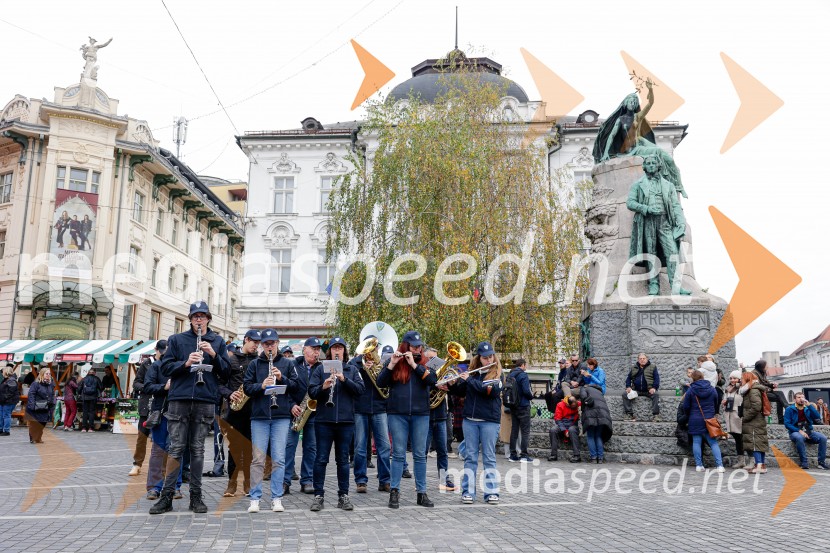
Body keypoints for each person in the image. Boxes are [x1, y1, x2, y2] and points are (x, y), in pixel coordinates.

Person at [149, 300, 231, 515]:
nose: (198, 319)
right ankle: (166, 497)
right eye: (195, 316)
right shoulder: (177, 340)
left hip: (204, 401)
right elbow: (165, 367)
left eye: (202, 316)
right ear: (190, 319)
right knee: (176, 448)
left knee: (197, 449)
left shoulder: (218, 341)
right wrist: (185, 363)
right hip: (179, 399)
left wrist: (213, 354)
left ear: (208, 319)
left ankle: (196, 497)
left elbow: (226, 372)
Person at [593, 79, 686, 198]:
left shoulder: (638, 117)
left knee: (667, 157)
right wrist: (606, 153)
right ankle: (664, 182)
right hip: (632, 150)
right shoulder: (620, 120)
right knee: (657, 152)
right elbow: (611, 136)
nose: (632, 103)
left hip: (640, 143)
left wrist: (650, 89)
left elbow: (650, 104)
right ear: (625, 103)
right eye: (630, 101)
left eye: (634, 101)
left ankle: (678, 185)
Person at [376, 330, 438, 509]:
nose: (418, 349)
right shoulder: (394, 361)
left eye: (419, 346)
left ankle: (422, 493)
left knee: (420, 455)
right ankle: (394, 492)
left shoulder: (425, 364)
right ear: (405, 346)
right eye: (414, 346)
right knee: (398, 454)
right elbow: (380, 382)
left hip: (421, 415)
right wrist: (392, 364)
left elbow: (432, 381)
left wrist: (414, 365)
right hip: (397, 414)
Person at [244, 329, 298, 513]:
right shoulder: (254, 364)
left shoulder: (287, 364)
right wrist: (262, 385)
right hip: (259, 417)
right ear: (262, 345)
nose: (269, 346)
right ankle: (255, 498)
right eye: (266, 344)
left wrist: (282, 378)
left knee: (279, 459)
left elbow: (296, 387)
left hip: (281, 416)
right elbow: (247, 387)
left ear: (277, 343)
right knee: (258, 459)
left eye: (272, 343)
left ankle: (277, 498)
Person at [307, 337, 365, 512]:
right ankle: (319, 495)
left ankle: (343, 495)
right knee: (321, 459)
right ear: (330, 352)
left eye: (340, 348)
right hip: (324, 421)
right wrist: (324, 387)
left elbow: (360, 390)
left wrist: (344, 379)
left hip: (346, 422)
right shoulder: (319, 369)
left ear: (344, 351)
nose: (337, 351)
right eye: (334, 348)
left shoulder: (352, 369)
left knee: (343, 460)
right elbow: (312, 392)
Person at [626, 155, 690, 296]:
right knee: (651, 253)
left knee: (672, 252)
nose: (650, 165)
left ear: (658, 166)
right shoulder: (638, 184)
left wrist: (681, 223)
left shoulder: (668, 185)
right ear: (644, 167)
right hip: (648, 221)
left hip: (665, 222)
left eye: (653, 163)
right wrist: (646, 208)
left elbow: (675, 205)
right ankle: (653, 285)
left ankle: (676, 286)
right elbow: (630, 203)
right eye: (647, 163)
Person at [448, 341, 502, 505]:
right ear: (479, 358)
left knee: (489, 458)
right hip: (470, 421)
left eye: (490, 356)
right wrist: (452, 385)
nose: (488, 359)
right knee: (470, 457)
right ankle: (468, 492)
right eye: (485, 357)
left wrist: (470, 381)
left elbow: (490, 392)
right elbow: (461, 392)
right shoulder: (472, 373)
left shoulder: (497, 375)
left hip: (489, 421)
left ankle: (491, 492)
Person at [219, 329, 260, 498]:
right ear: (246, 340)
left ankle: (247, 483)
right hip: (235, 411)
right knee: (234, 449)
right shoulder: (231, 359)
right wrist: (229, 393)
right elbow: (219, 384)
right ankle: (232, 483)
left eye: (258, 343)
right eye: (254, 342)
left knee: (250, 450)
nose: (256, 346)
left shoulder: (259, 361)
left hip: (253, 410)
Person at [143, 341, 184, 501]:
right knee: (158, 451)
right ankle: (154, 487)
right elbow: (147, 386)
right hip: (161, 413)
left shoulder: (180, 366)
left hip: (178, 412)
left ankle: (175, 486)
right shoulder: (156, 366)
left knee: (176, 450)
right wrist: (164, 387)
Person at [284, 337, 322, 495]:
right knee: (289, 447)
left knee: (311, 448)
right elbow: (285, 388)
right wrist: (291, 405)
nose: (316, 352)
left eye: (318, 349)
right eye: (313, 348)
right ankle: (285, 481)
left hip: (314, 412)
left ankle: (307, 481)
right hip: (296, 411)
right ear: (304, 349)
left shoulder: (322, 367)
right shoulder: (292, 364)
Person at [352, 346, 392, 494]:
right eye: (369, 349)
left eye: (374, 348)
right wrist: (361, 367)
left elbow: (387, 383)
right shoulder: (355, 363)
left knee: (384, 446)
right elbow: (350, 373)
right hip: (360, 408)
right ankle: (361, 481)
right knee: (360, 447)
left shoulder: (382, 364)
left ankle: (385, 480)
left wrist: (380, 369)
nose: (371, 352)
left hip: (379, 407)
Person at [681, 371, 725, 472]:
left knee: (696, 442)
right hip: (709, 419)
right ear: (703, 377)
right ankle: (720, 466)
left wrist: (689, 414)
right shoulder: (712, 389)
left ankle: (699, 465)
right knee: (713, 443)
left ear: (693, 379)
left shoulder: (691, 390)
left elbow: (686, 406)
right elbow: (715, 403)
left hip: (695, 419)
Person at [784, 392, 829, 470]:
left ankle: (821, 463)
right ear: (795, 399)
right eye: (799, 397)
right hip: (795, 432)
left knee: (823, 438)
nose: (801, 399)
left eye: (802, 397)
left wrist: (809, 406)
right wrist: (799, 431)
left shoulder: (807, 408)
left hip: (808, 432)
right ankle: (804, 462)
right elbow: (787, 424)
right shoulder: (789, 409)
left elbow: (817, 417)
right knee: (799, 437)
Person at [129, 353, 155, 476]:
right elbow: (136, 383)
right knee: (142, 437)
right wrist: (147, 387)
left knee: (162, 439)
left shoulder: (169, 362)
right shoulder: (147, 363)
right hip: (146, 405)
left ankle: (161, 467)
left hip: (162, 406)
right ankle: (137, 464)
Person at [741, 372, 769, 474]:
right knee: (759, 443)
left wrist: (745, 418)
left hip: (754, 421)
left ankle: (758, 466)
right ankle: (761, 465)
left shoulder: (752, 390)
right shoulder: (754, 389)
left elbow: (756, 406)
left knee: (755, 444)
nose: (741, 380)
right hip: (757, 421)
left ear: (747, 379)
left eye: (742, 378)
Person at [507, 358, 533, 463]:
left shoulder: (510, 375)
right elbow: (526, 391)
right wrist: (531, 397)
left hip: (513, 406)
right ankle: (524, 455)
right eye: (525, 365)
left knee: (514, 430)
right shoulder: (523, 375)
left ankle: (512, 455)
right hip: (523, 405)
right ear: (522, 365)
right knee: (525, 431)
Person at [580, 379, 612, 463]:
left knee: (590, 436)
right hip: (603, 415)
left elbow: (583, 398)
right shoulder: (599, 392)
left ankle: (594, 458)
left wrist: (583, 409)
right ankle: (600, 458)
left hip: (591, 414)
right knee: (598, 436)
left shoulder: (584, 388)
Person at [622, 353, 661, 422]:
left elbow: (656, 379)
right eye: (640, 358)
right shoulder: (634, 367)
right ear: (638, 360)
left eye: (644, 358)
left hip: (648, 390)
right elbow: (628, 378)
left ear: (647, 359)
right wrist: (628, 387)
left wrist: (654, 388)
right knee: (625, 394)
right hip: (636, 390)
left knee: (656, 395)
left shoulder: (653, 367)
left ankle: (656, 415)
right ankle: (629, 414)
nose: (642, 360)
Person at [722, 370, 746, 469]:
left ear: (739, 379)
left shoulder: (742, 389)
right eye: (731, 378)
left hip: (738, 416)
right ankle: (741, 461)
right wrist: (723, 402)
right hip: (729, 415)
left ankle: (749, 461)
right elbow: (725, 400)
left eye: (735, 378)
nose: (732, 380)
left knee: (742, 439)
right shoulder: (728, 389)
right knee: (737, 439)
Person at [752, 359, 788, 424]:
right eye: (766, 366)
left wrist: (772, 385)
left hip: (766, 391)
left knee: (780, 393)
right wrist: (770, 389)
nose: (767, 368)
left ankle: (785, 411)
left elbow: (765, 383)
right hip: (760, 393)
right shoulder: (754, 374)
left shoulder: (762, 372)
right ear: (762, 367)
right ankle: (786, 412)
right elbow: (758, 385)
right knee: (779, 398)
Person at [26, 369, 55, 443]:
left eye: (49, 374)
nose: (48, 375)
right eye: (46, 373)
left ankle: (38, 437)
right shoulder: (36, 384)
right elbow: (31, 394)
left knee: (42, 423)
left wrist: (52, 403)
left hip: (45, 407)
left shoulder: (51, 384)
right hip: (36, 407)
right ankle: (33, 438)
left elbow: (52, 394)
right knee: (34, 423)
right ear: (42, 374)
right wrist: (32, 405)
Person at [549, 395, 581, 462]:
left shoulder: (577, 404)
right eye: (573, 406)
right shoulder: (560, 405)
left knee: (572, 429)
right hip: (562, 425)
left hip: (573, 425)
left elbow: (583, 404)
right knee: (553, 430)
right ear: (568, 404)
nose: (575, 407)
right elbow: (558, 419)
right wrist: (565, 431)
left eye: (576, 405)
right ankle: (553, 455)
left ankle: (577, 455)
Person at [79, 368, 102, 432]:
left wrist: (79, 394)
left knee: (85, 412)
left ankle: (83, 428)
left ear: (88, 372)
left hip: (85, 397)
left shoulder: (84, 379)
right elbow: (101, 387)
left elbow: (79, 388)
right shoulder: (96, 378)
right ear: (94, 373)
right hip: (93, 397)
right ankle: (90, 428)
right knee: (92, 412)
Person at [0, 367, 21, 436]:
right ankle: (1, 429)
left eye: (3, 371)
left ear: (6, 372)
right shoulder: (6, 379)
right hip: (3, 401)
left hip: (8, 401)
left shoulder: (11, 380)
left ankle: (6, 430)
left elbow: (10, 392)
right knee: (2, 415)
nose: (2, 372)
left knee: (6, 415)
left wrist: (3, 398)